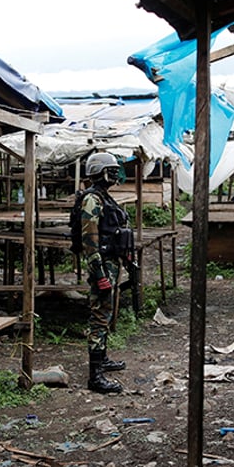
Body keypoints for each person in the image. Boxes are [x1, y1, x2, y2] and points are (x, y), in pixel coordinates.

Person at [78, 152, 133, 394]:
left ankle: (103, 359)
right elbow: (89, 238)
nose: (114, 174)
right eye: (110, 170)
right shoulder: (92, 199)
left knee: (106, 312)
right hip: (101, 264)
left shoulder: (103, 197)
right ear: (99, 172)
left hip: (111, 262)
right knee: (99, 315)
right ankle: (95, 375)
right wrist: (99, 272)